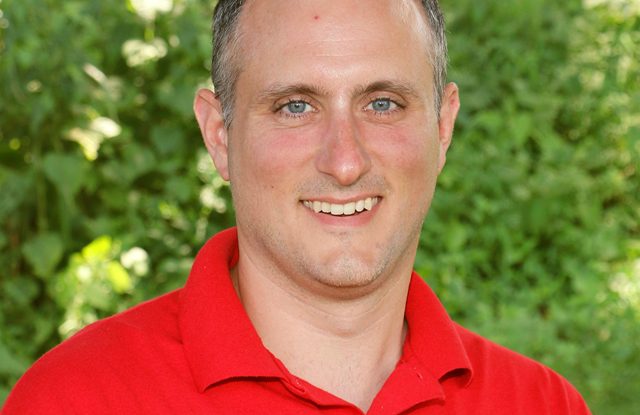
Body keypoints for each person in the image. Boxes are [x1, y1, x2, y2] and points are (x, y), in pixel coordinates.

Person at [2, 1, 592, 414]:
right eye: (295, 107)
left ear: (442, 127)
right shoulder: (74, 400)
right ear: (220, 136)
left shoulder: (543, 405)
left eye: (382, 103)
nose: (345, 162)